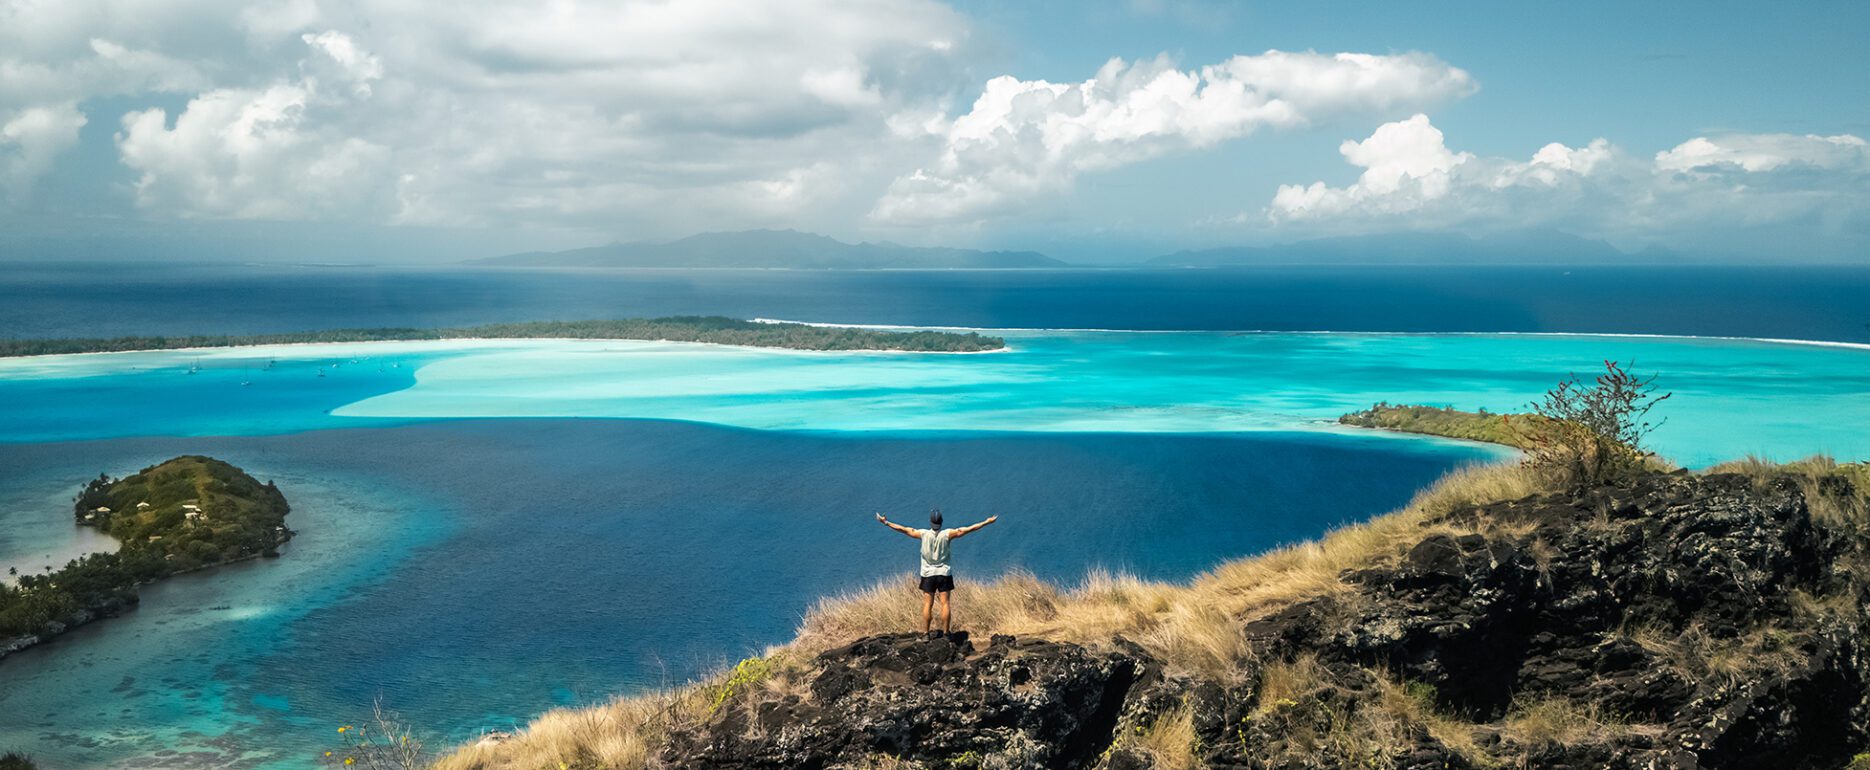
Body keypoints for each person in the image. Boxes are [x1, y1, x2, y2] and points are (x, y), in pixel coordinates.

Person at [875, 508, 998, 639]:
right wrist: (986, 522)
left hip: (928, 574)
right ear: (941, 522)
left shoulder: (922, 534)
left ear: (930, 522)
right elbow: (968, 529)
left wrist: (886, 522)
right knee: (945, 603)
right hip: (944, 573)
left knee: (928, 604)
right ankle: (946, 633)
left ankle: (926, 634)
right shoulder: (948, 534)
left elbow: (904, 529)